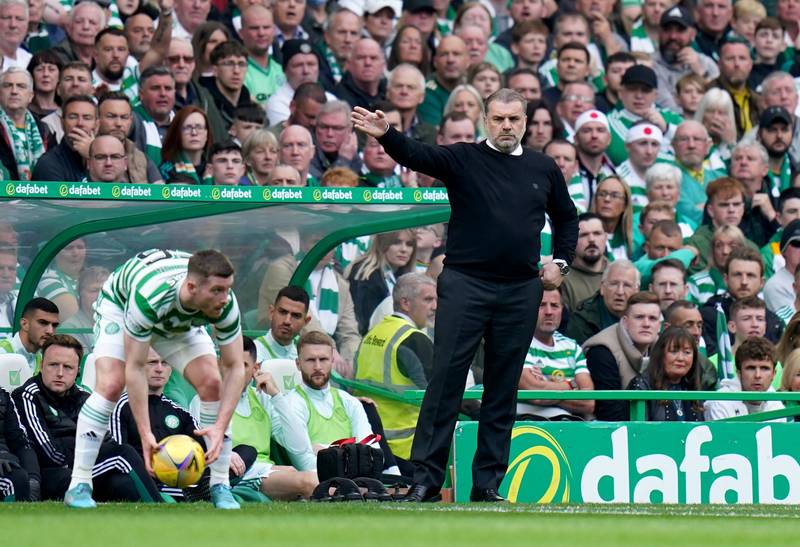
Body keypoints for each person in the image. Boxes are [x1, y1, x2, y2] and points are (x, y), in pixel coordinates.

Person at [352, 88, 578, 502]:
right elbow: (417, 154)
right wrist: (386, 133)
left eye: (514, 118)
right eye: (498, 118)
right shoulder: (463, 157)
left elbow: (567, 217)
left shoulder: (543, 168)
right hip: (465, 284)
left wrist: (560, 264)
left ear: (525, 122)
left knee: (502, 386)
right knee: (446, 381)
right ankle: (426, 480)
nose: (506, 125)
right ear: (486, 121)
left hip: (520, 288)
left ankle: (487, 484)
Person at [65, 249, 246, 510]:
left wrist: (220, 424)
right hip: (121, 304)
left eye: (227, 289)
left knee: (211, 384)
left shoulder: (224, 304)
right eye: (217, 290)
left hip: (182, 318)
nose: (224, 298)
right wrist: (146, 432)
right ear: (192, 286)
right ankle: (79, 484)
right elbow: (137, 367)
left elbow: (235, 367)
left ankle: (220, 485)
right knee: (111, 383)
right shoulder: (148, 297)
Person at [13, 334, 162, 502]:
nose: (60, 373)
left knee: (122, 483)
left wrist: (87, 452)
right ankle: (161, 507)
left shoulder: (84, 398)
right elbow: (52, 455)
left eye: (68, 367)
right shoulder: (27, 396)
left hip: (84, 470)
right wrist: (87, 450)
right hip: (54, 475)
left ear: (78, 371)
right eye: (53, 365)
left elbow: (107, 440)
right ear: (41, 365)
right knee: (123, 453)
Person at [354, 273, 436, 459]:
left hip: (371, 438)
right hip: (407, 447)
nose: (435, 307)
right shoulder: (415, 339)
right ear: (406, 303)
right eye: (428, 299)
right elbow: (440, 393)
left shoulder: (373, 333)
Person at [226, 336, 318, 500]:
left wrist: (276, 395)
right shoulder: (207, 400)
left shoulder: (262, 398)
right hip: (237, 474)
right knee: (309, 482)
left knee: (313, 476)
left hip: (265, 470)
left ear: (255, 370)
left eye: (243, 365)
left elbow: (298, 446)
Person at [272, 331, 376, 472]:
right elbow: (306, 466)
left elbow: (371, 455)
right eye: (310, 360)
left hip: (357, 485)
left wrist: (326, 450)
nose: (318, 367)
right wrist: (350, 454)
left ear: (332, 361)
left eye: (323, 359)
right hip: (321, 489)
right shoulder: (292, 404)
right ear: (298, 364)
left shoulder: (349, 401)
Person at [517, 285, 594, 421]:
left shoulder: (572, 346)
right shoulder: (518, 342)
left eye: (554, 305)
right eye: (541, 305)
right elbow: (535, 393)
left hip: (567, 427)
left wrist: (545, 389)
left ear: (562, 309)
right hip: (525, 425)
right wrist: (571, 385)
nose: (548, 312)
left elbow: (588, 403)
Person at [584, 291, 662, 421]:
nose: (646, 324)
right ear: (625, 322)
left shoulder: (663, 348)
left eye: (652, 318)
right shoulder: (602, 351)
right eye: (639, 317)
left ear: (659, 325)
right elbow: (608, 412)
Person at [699, 246, 783, 353]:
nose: (744, 282)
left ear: (762, 282)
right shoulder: (708, 316)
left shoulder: (774, 322)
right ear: (726, 279)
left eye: (750, 275)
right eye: (737, 275)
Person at [347, 230, 417, 336]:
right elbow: (362, 324)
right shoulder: (365, 274)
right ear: (382, 244)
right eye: (396, 242)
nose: (404, 249)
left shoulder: (403, 275)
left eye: (409, 244)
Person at [628, 326, 705, 421]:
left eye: (687, 352)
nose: (681, 358)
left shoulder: (692, 386)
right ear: (660, 354)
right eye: (673, 351)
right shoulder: (642, 385)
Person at [652, 5, 719, 114]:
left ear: (692, 34)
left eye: (680, 30)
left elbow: (720, 102)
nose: (673, 36)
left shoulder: (705, 63)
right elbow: (668, 108)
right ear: (659, 32)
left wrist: (701, 73)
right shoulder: (651, 66)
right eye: (667, 30)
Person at [704, 336, 785, 420]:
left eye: (764, 368)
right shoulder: (719, 403)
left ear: (774, 374)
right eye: (751, 368)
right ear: (739, 372)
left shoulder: (777, 405)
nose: (758, 375)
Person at [566, 259, 640, 345]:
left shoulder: (646, 315)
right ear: (602, 288)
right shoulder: (582, 319)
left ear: (636, 290)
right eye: (614, 284)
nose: (620, 292)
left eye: (627, 285)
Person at [97, 91, 163, 185]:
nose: (118, 124)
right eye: (111, 117)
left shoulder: (141, 157)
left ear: (131, 120)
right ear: (97, 119)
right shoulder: (87, 153)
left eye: (124, 117)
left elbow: (160, 192)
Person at [30, 94, 96, 182]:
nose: (80, 123)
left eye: (87, 118)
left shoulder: (109, 159)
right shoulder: (48, 164)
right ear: (62, 123)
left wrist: (92, 158)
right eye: (73, 117)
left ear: (97, 125)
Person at [0, 67, 48, 181]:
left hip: (38, 194)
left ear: (31, 96)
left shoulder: (44, 130)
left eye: (21, 86)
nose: (14, 91)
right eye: (8, 86)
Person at [707, 37, 758, 140]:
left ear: (750, 65)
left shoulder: (759, 100)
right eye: (730, 58)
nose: (737, 64)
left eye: (742, 58)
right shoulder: (707, 95)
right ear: (719, 64)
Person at [560, 212, 608, 312]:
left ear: (605, 237)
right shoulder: (561, 277)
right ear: (573, 240)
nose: (591, 239)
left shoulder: (617, 273)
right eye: (584, 235)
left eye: (597, 233)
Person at [0, 379, 39, 501]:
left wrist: (34, 478)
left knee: (66, 479)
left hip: (6, 460)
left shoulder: (3, 397)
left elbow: (21, 442)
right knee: (15, 479)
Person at [417, 35, 468, 127]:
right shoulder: (426, 93)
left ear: (467, 61)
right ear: (435, 61)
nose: (450, 60)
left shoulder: (473, 88)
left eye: (456, 54)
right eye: (444, 54)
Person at [240, 5, 285, 108]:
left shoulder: (283, 69)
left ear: (274, 31)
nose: (261, 33)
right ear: (241, 33)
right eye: (254, 28)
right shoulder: (237, 71)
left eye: (266, 27)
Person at [688, 224, 745, 304]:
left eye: (732, 246)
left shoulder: (748, 283)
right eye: (719, 246)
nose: (725, 251)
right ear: (712, 250)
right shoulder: (696, 282)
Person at [615, 122, 664, 213]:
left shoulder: (662, 179)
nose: (649, 151)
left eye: (654, 144)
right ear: (627, 146)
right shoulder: (617, 178)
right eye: (643, 143)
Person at [0, 298, 59, 373]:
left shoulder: (41, 359)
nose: (50, 331)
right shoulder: (2, 352)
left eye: (54, 325)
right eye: (43, 323)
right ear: (24, 324)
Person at [59, 267, 109, 355]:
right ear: (80, 293)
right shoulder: (70, 328)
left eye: (104, 290)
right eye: (94, 290)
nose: (100, 296)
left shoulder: (116, 322)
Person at [158, 106, 214, 184]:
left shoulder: (215, 168)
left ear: (206, 134)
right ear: (177, 133)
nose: (194, 133)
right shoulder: (165, 171)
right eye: (187, 128)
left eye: (199, 127)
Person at [309, 100, 360, 180]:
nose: (330, 134)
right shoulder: (307, 155)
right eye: (324, 127)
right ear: (316, 127)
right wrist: (344, 160)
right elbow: (328, 191)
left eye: (337, 128)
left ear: (349, 130)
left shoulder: (355, 158)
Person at [386, 63, 435, 145]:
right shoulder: (369, 126)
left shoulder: (431, 133)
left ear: (421, 97)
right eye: (398, 86)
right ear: (387, 92)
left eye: (411, 87)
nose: (404, 91)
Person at [589, 176, 633, 260]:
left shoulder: (630, 242)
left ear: (625, 205)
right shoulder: (583, 233)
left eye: (615, 195)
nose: (607, 199)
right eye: (602, 194)